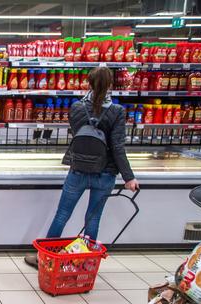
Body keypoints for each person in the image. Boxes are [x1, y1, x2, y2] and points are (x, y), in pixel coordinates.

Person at [25, 67, 139, 268]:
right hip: (105, 173)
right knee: (92, 219)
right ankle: (85, 262)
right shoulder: (117, 111)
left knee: (62, 214)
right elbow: (118, 146)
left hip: (78, 169)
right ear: (110, 85)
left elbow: (78, 133)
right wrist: (129, 177)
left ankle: (46, 257)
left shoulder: (77, 108)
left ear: (89, 83)